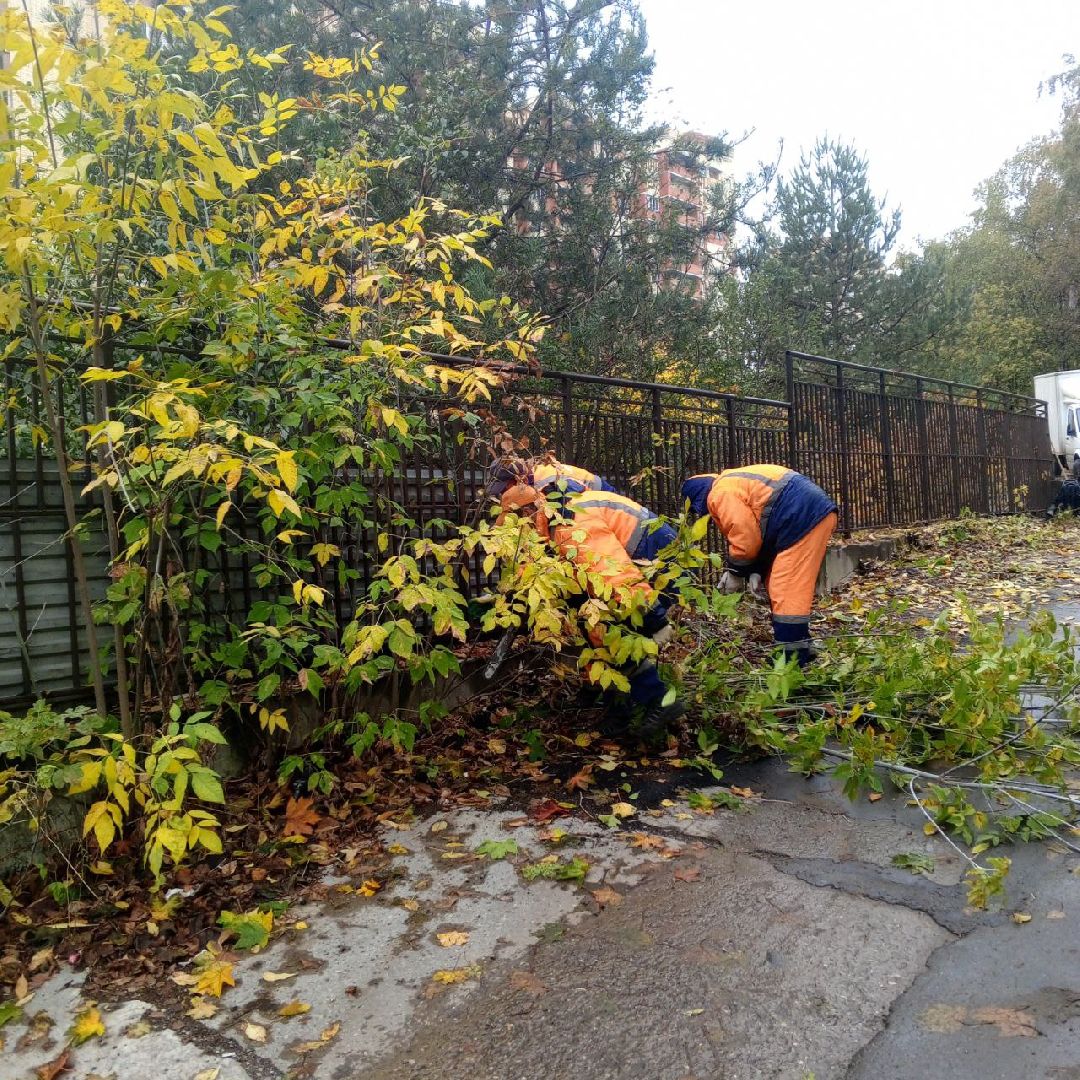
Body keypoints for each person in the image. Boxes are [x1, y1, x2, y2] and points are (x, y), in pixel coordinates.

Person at [498, 483, 683, 744]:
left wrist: (654, 618)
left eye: (518, 524)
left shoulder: (569, 524)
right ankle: (620, 709)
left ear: (529, 511)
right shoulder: (552, 521)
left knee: (616, 633)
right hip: (636, 560)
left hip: (655, 557)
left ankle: (660, 700)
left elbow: (614, 573)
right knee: (594, 625)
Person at [681, 465, 837, 666]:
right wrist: (757, 570)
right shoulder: (731, 483)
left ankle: (792, 660)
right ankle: (800, 646)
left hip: (802, 514)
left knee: (786, 590)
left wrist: (736, 572)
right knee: (781, 585)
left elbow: (746, 538)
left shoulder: (718, 493)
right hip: (804, 513)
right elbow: (763, 528)